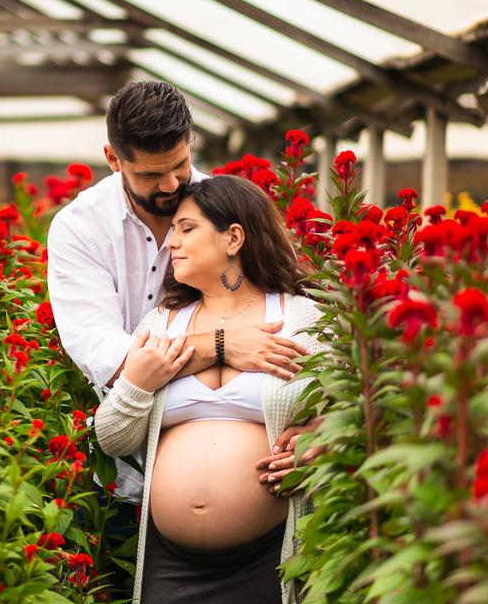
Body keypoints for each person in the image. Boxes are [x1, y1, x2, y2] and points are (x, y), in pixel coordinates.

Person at [47, 81, 310, 502]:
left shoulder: (223, 206)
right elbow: (109, 359)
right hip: (127, 481)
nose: (171, 185)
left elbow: (295, 308)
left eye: (181, 165)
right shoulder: (80, 228)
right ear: (114, 159)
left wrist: (321, 427)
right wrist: (219, 346)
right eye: (150, 174)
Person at [92, 174, 327, 604]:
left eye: (186, 229)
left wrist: (323, 438)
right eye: (171, 231)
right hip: (172, 564)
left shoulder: (302, 321)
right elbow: (111, 438)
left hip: (271, 558)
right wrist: (139, 384)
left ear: (233, 237)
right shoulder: (161, 325)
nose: (170, 243)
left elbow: (359, 411)